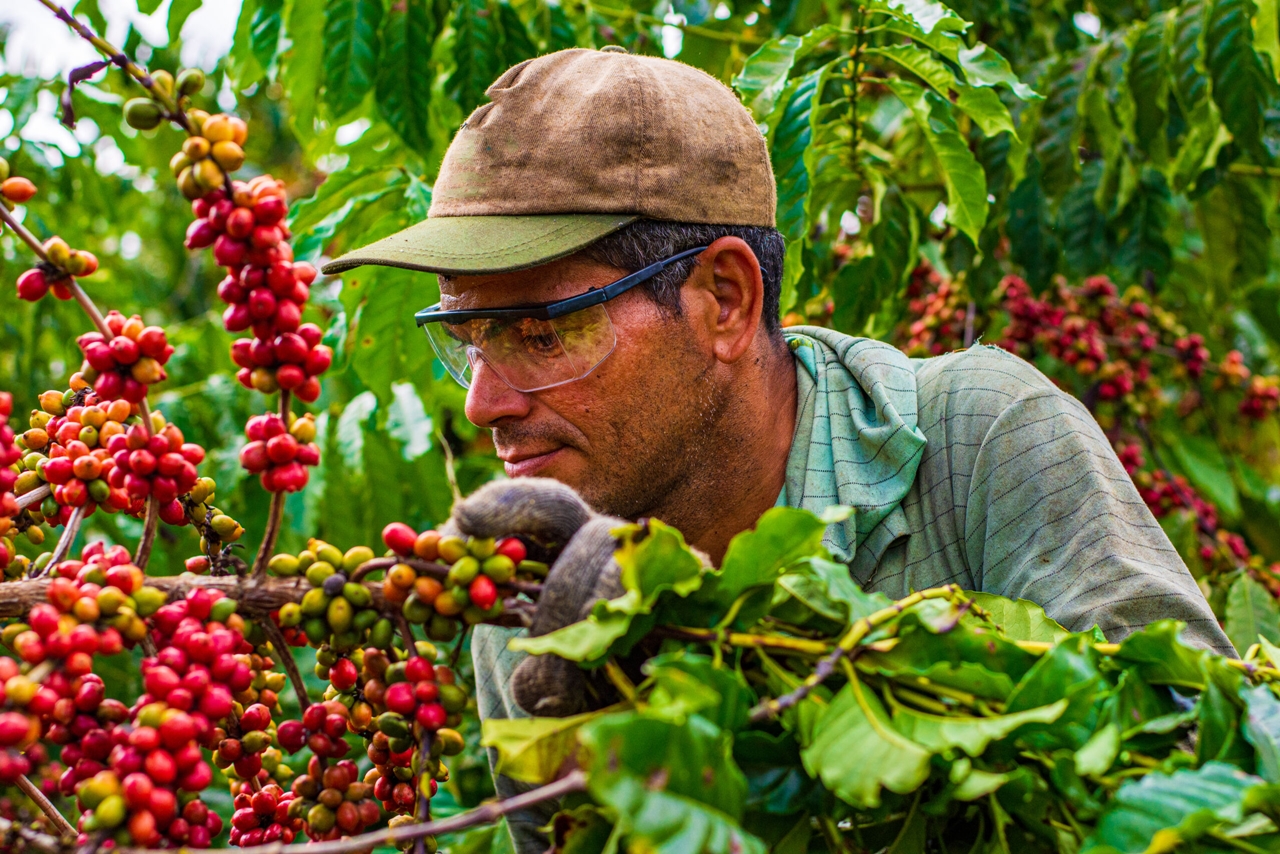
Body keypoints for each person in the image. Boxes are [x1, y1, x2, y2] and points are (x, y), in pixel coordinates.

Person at [323, 46, 1234, 849]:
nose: (485, 405)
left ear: (724, 300)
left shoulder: (980, 438)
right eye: (470, 336)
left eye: (543, 333)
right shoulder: (531, 577)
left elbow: (1193, 778)